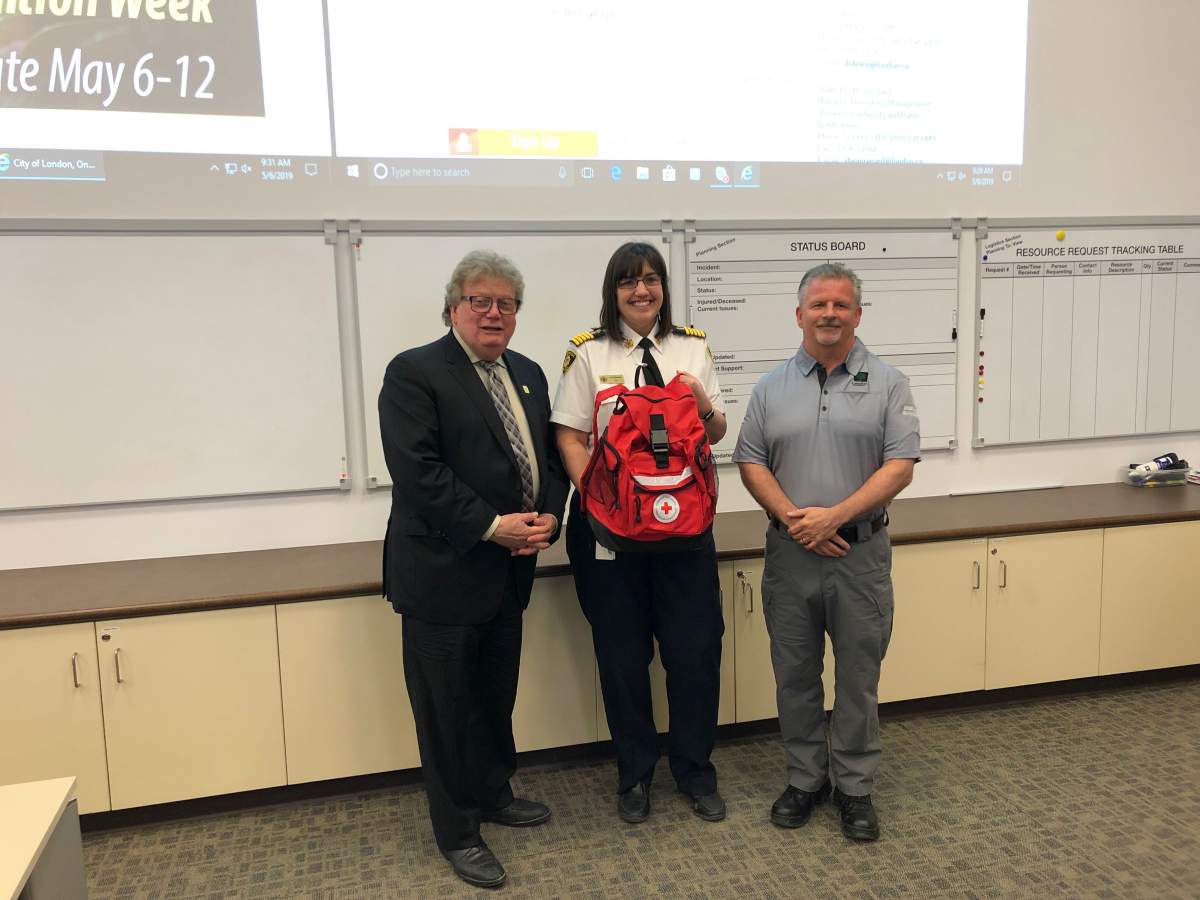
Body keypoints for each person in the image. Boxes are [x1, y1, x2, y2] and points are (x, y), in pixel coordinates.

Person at [379, 250, 569, 888]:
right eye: (479, 301)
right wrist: (492, 526)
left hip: (508, 573)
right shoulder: (414, 373)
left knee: (494, 695)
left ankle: (492, 793)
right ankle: (458, 831)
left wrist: (548, 517)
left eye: (505, 303)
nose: (493, 313)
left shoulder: (529, 373)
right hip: (442, 573)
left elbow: (549, 460)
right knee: (445, 710)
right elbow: (419, 472)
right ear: (453, 307)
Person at [733, 262, 919, 842]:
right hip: (790, 556)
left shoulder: (889, 383)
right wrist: (797, 522)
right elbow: (750, 461)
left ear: (857, 314)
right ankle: (805, 779)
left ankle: (855, 787)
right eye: (819, 305)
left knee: (859, 678)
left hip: (859, 558)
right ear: (799, 315)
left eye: (841, 305)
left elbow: (900, 466)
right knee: (795, 674)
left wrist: (834, 517)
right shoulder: (771, 387)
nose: (829, 314)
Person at [552, 241, 729, 824]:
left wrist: (700, 402)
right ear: (613, 292)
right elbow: (570, 435)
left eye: (651, 279)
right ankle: (635, 775)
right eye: (628, 281)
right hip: (610, 536)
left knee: (695, 653)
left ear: (664, 288)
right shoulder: (588, 353)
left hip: (685, 530)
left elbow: (716, 431)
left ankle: (695, 772)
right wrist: (599, 501)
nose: (641, 290)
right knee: (623, 658)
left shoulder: (693, 347)